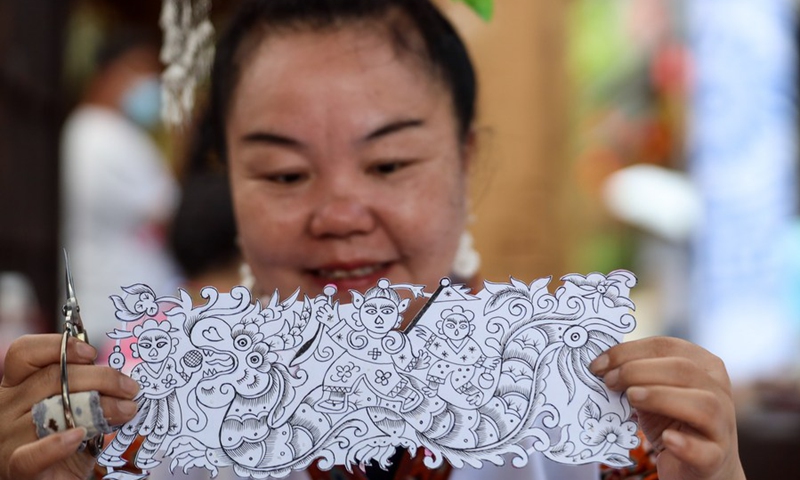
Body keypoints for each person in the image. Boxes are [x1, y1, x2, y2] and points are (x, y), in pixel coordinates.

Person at [0, 1, 746, 479]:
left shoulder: (600, 427)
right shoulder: (132, 420)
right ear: (231, 182)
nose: (339, 214)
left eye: (388, 163)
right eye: (287, 175)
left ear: (468, 161)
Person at [61, 31, 182, 341]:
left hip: (128, 317)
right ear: (112, 72)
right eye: (143, 70)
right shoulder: (99, 135)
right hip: (119, 320)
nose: (153, 83)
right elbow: (173, 216)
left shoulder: (109, 133)